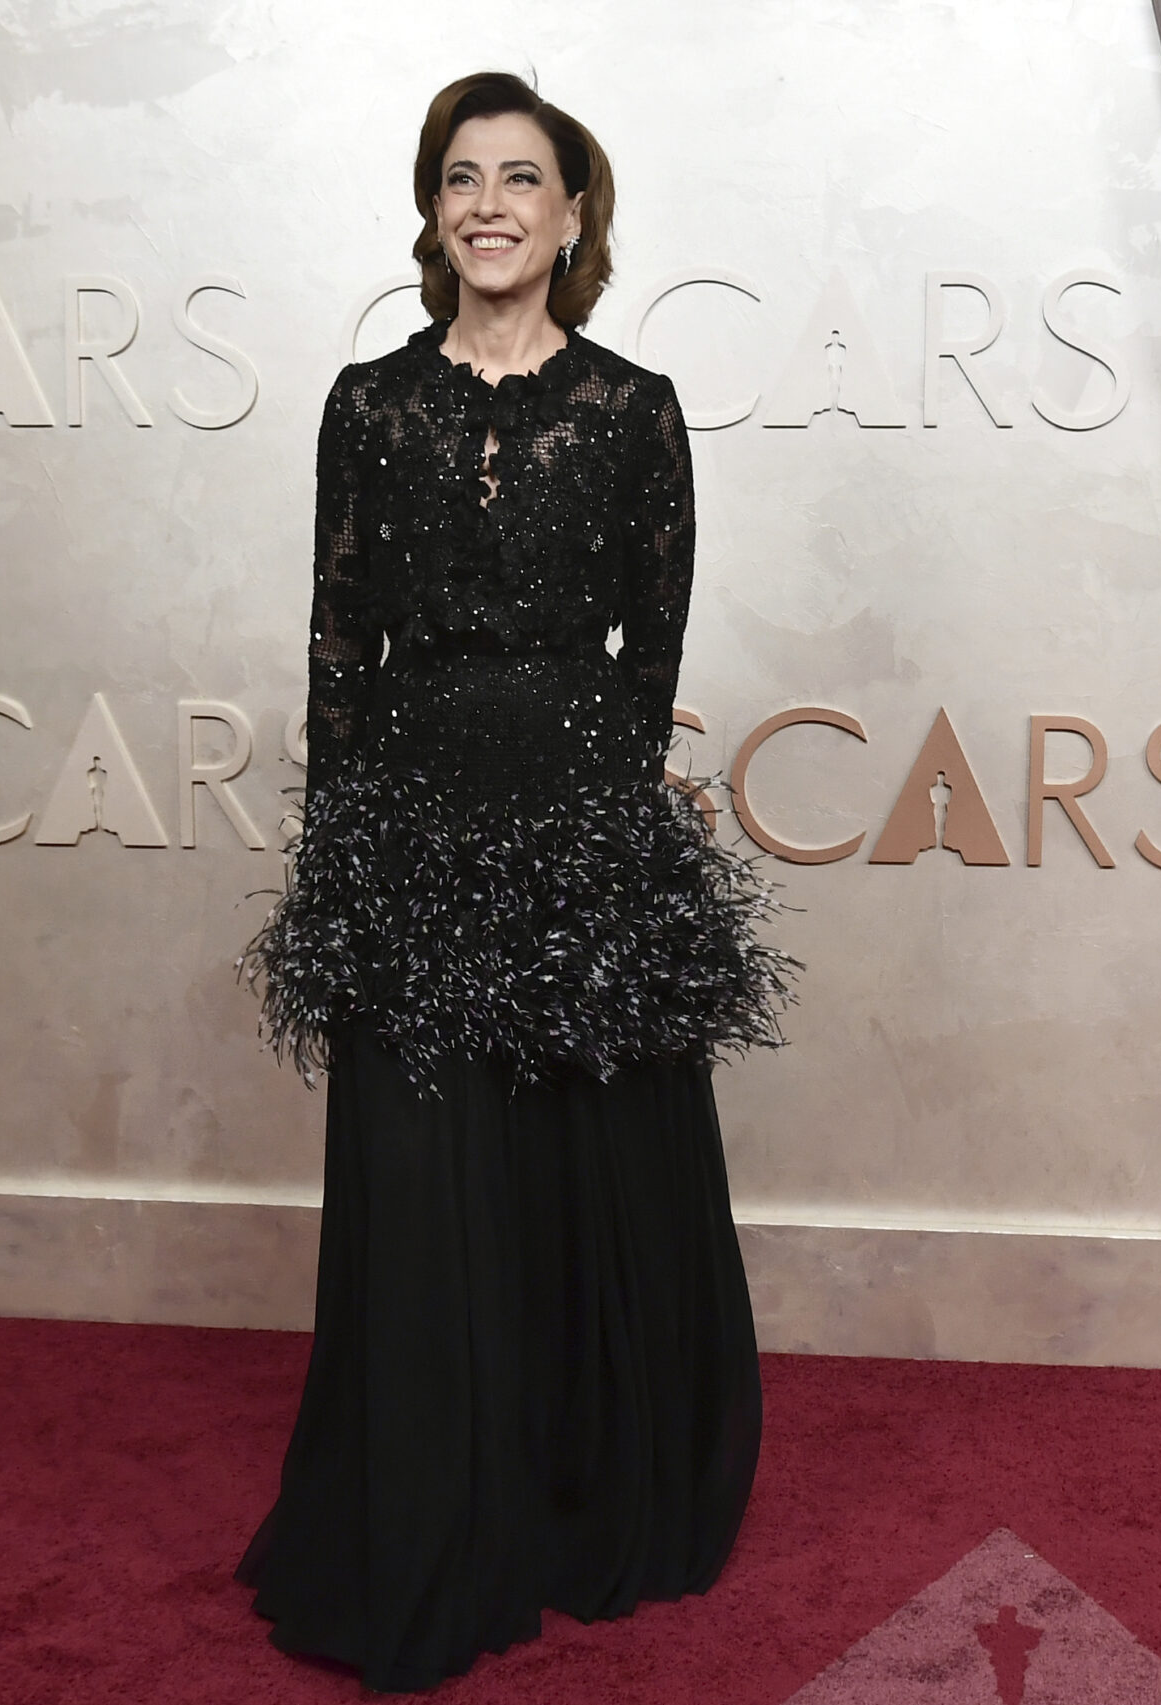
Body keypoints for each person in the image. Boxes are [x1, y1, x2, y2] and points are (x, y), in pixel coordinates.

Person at [237, 69, 795, 1693]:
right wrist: (343, 852)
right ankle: (430, 1503)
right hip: (406, 818)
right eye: (461, 177)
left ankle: (586, 1486)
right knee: (425, 1180)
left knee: (580, 1168)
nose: (489, 202)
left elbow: (651, 650)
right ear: (433, 211)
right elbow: (340, 639)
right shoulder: (367, 404)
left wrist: (607, 849)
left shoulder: (634, 409)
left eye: (522, 178)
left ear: (571, 216)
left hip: (574, 823)